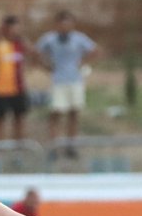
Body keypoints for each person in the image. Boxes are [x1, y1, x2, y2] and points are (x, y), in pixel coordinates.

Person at [36, 11, 98, 159]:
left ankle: (71, 145)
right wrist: (46, 66)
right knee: (55, 113)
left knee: (74, 113)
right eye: (62, 24)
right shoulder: (50, 39)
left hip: (75, 80)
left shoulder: (79, 38)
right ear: (57, 24)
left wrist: (83, 63)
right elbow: (36, 52)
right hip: (58, 81)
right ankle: (54, 145)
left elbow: (95, 50)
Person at [0, 16, 33, 141]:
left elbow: (34, 52)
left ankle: (18, 146)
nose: (15, 31)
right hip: (0, 88)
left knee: (19, 119)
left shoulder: (20, 43)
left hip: (18, 87)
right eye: (12, 28)